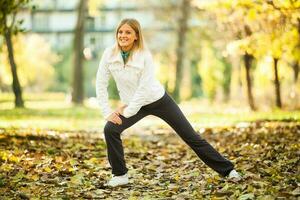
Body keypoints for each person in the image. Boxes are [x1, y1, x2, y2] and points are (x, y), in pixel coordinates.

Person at [96, 18, 241, 187]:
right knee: (110, 129)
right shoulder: (109, 54)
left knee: (191, 136)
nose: (123, 35)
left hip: (157, 100)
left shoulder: (145, 56)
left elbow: (144, 89)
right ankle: (120, 175)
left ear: (136, 36)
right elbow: (101, 83)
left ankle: (228, 170)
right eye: (120, 32)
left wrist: (126, 112)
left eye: (128, 32)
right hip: (132, 104)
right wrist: (107, 112)